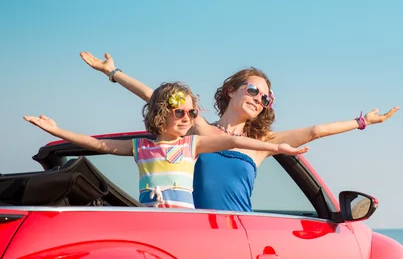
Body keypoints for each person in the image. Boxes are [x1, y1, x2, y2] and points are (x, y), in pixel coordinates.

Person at [80, 51, 399, 211]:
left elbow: (316, 130)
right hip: (192, 231)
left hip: (239, 228)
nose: (260, 99)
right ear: (231, 90)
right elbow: (156, 97)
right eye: (253, 90)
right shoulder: (200, 129)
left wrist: (363, 122)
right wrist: (113, 73)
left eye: (267, 97)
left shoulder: (261, 143)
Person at [23, 81, 308, 209]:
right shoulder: (142, 148)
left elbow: (234, 140)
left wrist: (277, 148)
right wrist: (58, 130)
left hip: (188, 222)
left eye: (192, 113)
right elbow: (99, 145)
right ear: (162, 114)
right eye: (180, 112)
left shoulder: (192, 145)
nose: (187, 118)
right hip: (150, 222)